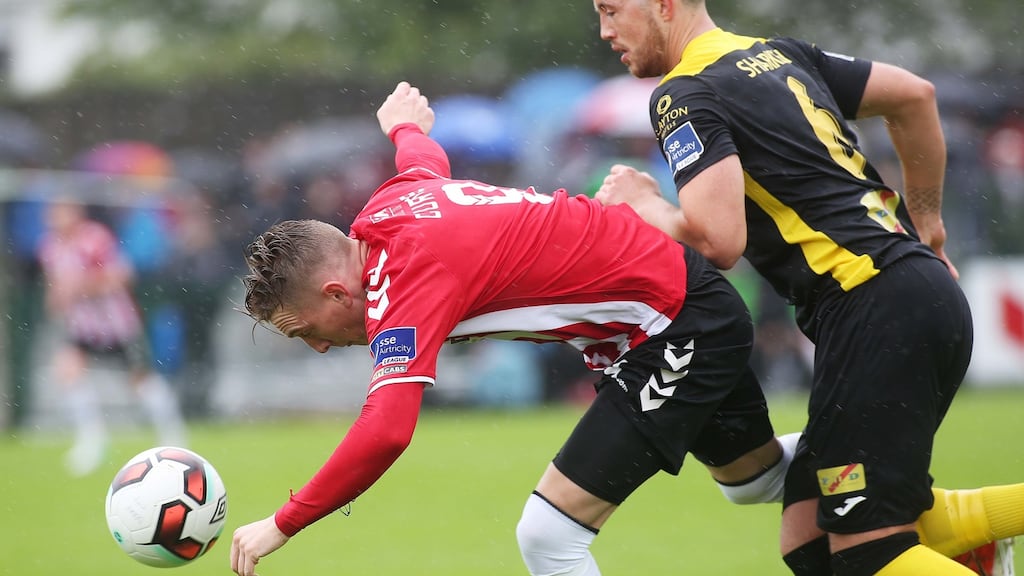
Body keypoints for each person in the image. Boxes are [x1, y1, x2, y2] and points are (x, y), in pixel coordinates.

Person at [230, 81, 799, 576]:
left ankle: (874, 438)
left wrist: (284, 522)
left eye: (306, 330)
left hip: (673, 323)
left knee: (549, 533)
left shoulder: (403, 284)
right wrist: (405, 128)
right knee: (755, 481)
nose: (322, 346)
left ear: (335, 292)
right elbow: (424, 164)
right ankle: (863, 450)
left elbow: (386, 432)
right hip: (665, 316)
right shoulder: (387, 210)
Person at [589, 1, 1024, 574]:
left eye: (611, 9)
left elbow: (719, 240)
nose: (605, 30)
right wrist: (928, 224)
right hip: (906, 297)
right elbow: (913, 95)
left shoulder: (683, 94)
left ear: (665, 5)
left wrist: (642, 202)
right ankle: (986, 547)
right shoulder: (781, 55)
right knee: (811, 538)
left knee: (867, 550)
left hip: (876, 307)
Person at [37, 199, 187, 476]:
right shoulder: (50, 247)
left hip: (115, 324)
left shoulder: (93, 238)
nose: (55, 218)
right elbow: (56, 286)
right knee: (69, 372)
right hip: (82, 326)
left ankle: (173, 435)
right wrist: (57, 298)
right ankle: (92, 440)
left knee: (140, 379)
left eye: (61, 211)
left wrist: (82, 287)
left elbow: (121, 275)